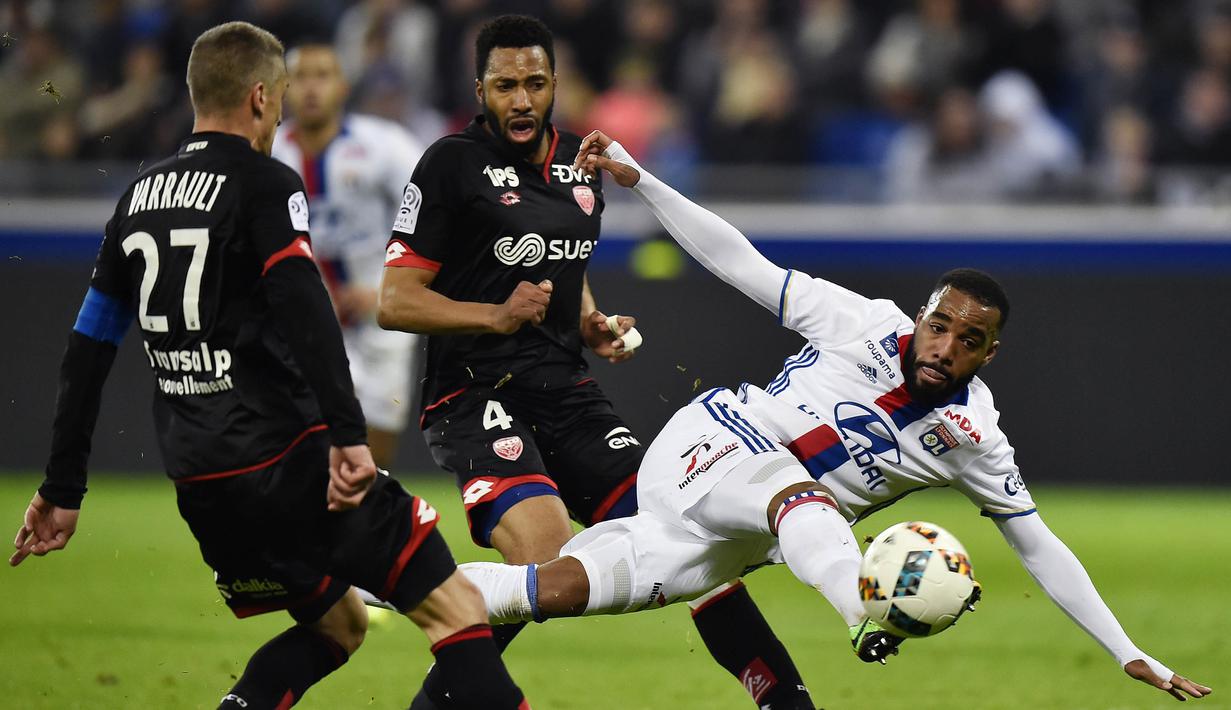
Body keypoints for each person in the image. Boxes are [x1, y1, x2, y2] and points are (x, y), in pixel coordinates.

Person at [459, 129, 1213, 704]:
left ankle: (373, 577)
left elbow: (1040, 546)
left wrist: (1125, 650)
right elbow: (740, 261)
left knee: (545, 592)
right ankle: (861, 609)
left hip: (728, 539)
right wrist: (643, 180)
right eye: (939, 325)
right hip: (714, 443)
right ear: (921, 316)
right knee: (803, 495)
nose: (944, 346)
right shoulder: (861, 322)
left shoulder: (974, 440)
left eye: (968, 340)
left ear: (990, 355)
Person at [7, 22, 528, 710]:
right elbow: (305, 309)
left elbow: (88, 348)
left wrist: (63, 487)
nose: (283, 110)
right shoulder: (263, 182)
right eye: (280, 96)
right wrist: (347, 436)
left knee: (339, 624)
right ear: (258, 96)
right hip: (290, 462)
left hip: (201, 483)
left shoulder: (136, 199)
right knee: (454, 606)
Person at [377, 14, 818, 710]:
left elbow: (562, 261)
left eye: (534, 83)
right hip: (472, 392)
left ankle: (785, 700)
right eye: (504, 86)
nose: (520, 100)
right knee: (547, 557)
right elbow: (395, 301)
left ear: (555, 83)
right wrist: (493, 316)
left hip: (565, 389)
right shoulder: (449, 164)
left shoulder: (581, 162)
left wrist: (589, 320)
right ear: (479, 89)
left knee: (688, 535)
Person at [272, 42, 426, 468]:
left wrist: (386, 289)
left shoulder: (385, 145)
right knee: (306, 441)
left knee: (376, 453)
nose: (311, 88)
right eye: (301, 77)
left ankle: (368, 524)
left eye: (322, 75)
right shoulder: (267, 154)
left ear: (342, 86)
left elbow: (435, 214)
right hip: (303, 319)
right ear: (284, 88)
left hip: (379, 313)